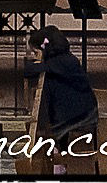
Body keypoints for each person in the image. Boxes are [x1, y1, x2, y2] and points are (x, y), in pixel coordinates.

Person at [33, 28, 102, 166]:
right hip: (85, 114)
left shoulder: (55, 65)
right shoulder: (67, 59)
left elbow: (53, 106)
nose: (35, 58)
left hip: (78, 120)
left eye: (35, 53)